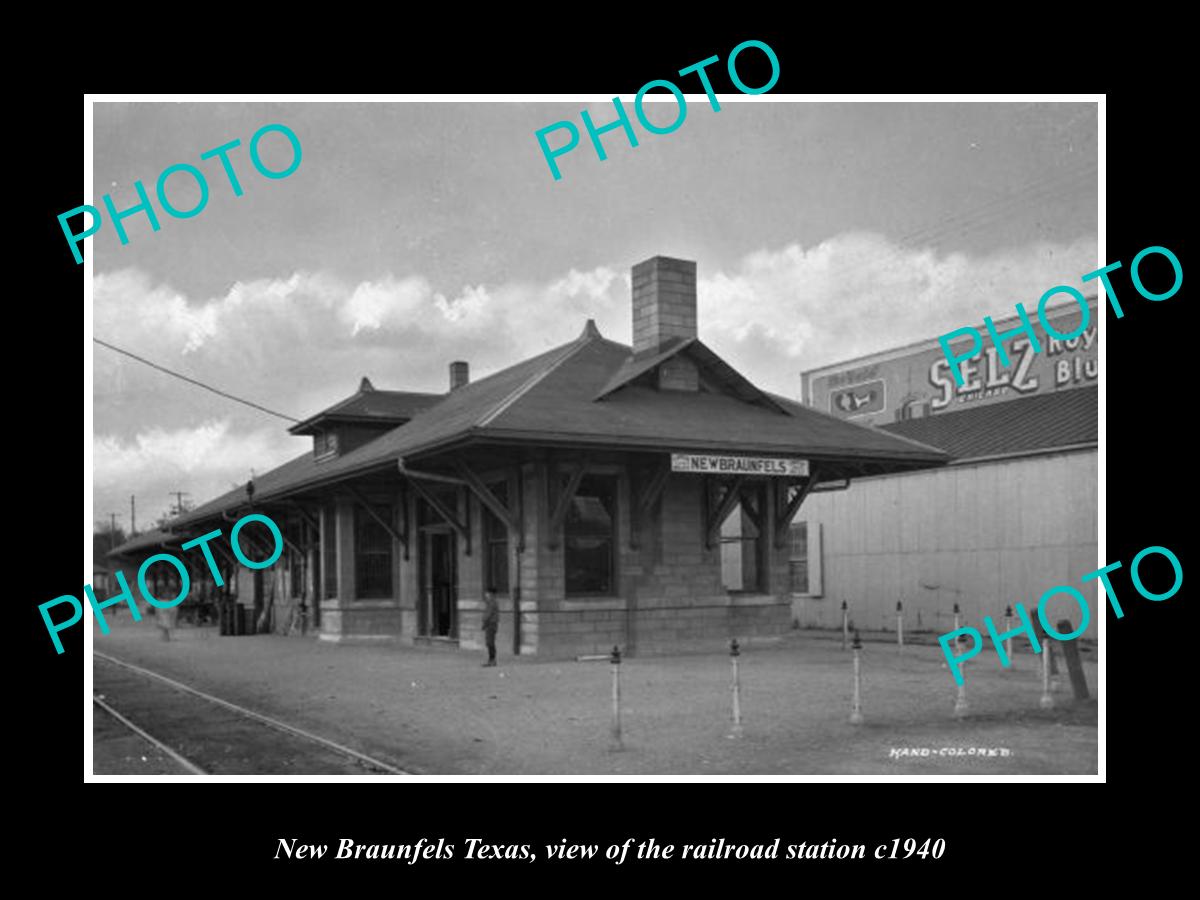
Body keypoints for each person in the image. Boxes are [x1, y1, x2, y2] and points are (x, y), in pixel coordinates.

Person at [481, 590, 500, 667]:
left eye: (487, 594)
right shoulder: (491, 602)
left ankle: (492, 660)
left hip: (491, 624)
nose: (486, 595)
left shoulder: (492, 603)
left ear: (490, 594)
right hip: (491, 624)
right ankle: (491, 660)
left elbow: (488, 615)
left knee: (490, 642)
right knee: (489, 642)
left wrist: (484, 622)